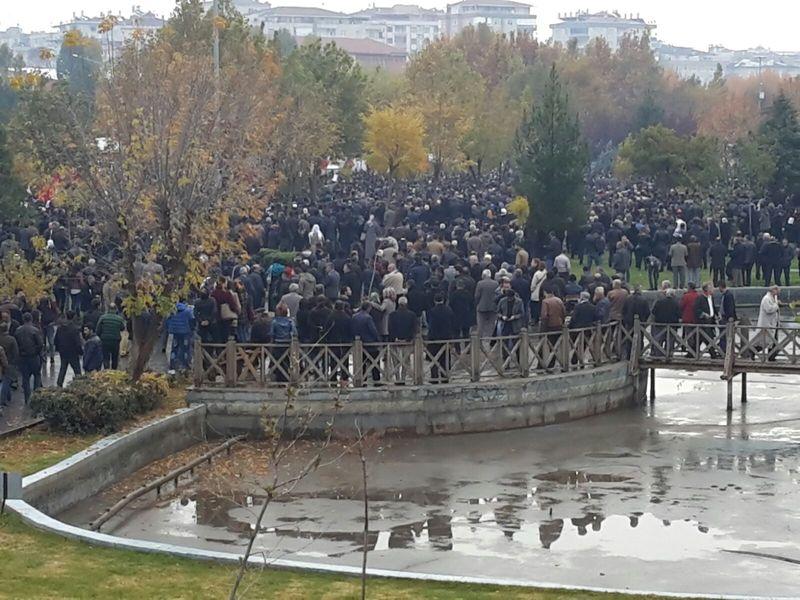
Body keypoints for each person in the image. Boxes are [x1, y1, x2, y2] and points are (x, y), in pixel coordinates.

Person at [427, 293, 456, 383]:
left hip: (434, 338)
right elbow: (452, 323)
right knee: (445, 358)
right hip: (446, 337)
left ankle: (434, 378)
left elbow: (431, 325)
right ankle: (445, 376)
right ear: (443, 300)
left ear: (435, 301)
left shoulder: (432, 311)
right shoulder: (449, 310)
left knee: (434, 358)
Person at [14, 313, 44, 403]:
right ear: (31, 319)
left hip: (22, 357)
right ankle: (37, 396)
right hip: (34, 356)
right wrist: (38, 352)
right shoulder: (35, 330)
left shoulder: (17, 330)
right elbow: (40, 344)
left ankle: (27, 398)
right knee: (37, 375)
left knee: (25, 377)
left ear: (23, 319)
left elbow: (16, 344)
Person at [387, 296, 417, 384]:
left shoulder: (392, 315)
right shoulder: (412, 315)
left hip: (395, 342)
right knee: (406, 360)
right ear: (406, 304)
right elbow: (414, 328)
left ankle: (397, 378)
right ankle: (403, 378)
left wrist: (394, 338)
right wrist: (410, 338)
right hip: (407, 342)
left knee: (396, 361)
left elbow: (390, 328)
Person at [352, 301, 381, 383]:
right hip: (369, 344)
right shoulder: (368, 318)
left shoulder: (354, 317)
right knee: (375, 363)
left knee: (361, 364)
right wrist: (378, 340)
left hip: (359, 344)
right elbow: (373, 331)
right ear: (368, 308)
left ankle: (362, 380)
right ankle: (376, 381)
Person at [54, 310, 83, 387]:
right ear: (74, 317)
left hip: (63, 351)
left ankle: (59, 383)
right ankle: (80, 384)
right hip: (73, 352)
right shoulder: (74, 329)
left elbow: (56, 340)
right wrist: (80, 352)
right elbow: (77, 342)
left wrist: (58, 349)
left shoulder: (60, 328)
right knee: (77, 370)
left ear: (66, 317)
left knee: (63, 368)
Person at [165, 300, 195, 374]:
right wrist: (191, 329)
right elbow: (192, 320)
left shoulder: (172, 310)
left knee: (174, 349)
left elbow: (167, 320)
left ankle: (172, 365)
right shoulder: (188, 311)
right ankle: (185, 365)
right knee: (185, 349)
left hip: (174, 332)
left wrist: (170, 328)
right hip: (185, 332)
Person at [269, 303, 296, 382]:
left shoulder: (274, 322)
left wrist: (271, 345)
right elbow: (294, 332)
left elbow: (271, 334)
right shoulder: (290, 321)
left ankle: (279, 378)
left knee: (277, 361)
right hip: (287, 344)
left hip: (277, 344)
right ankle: (286, 377)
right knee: (286, 361)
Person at [96, 305, 126, 370]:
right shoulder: (119, 319)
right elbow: (122, 328)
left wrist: (100, 336)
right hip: (115, 341)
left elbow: (98, 330)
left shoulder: (103, 318)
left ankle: (106, 370)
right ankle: (114, 371)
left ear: (108, 309)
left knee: (105, 357)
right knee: (114, 357)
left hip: (105, 340)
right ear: (116, 310)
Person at [754, 286, 781, 358]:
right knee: (765, 342)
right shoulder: (766, 299)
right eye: (777, 290)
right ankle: (752, 351)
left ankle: (771, 356)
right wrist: (776, 305)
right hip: (766, 324)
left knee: (773, 341)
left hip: (772, 324)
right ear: (773, 290)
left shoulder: (772, 298)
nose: (778, 293)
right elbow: (769, 309)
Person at [474, 269, 499, 339]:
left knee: (480, 325)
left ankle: (479, 341)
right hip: (493, 307)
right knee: (491, 325)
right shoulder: (496, 283)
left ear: (483, 275)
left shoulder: (480, 283)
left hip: (482, 307)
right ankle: (490, 339)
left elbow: (476, 296)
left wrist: (477, 304)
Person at [0, 323, 18, 407]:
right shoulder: (11, 339)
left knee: (5, 380)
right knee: (7, 381)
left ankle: (8, 397)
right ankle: (3, 400)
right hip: (9, 363)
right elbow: (16, 352)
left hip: (1, 364)